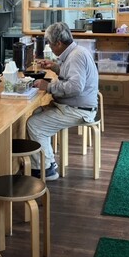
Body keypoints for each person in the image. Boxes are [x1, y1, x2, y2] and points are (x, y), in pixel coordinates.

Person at [27, 22, 99, 181]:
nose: (50, 47)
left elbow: (75, 87)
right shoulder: (76, 52)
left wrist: (48, 86)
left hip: (79, 109)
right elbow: (73, 76)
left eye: (50, 44)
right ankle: (49, 161)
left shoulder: (76, 57)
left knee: (35, 124)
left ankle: (46, 170)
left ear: (58, 43)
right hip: (75, 105)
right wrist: (55, 67)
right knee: (37, 113)